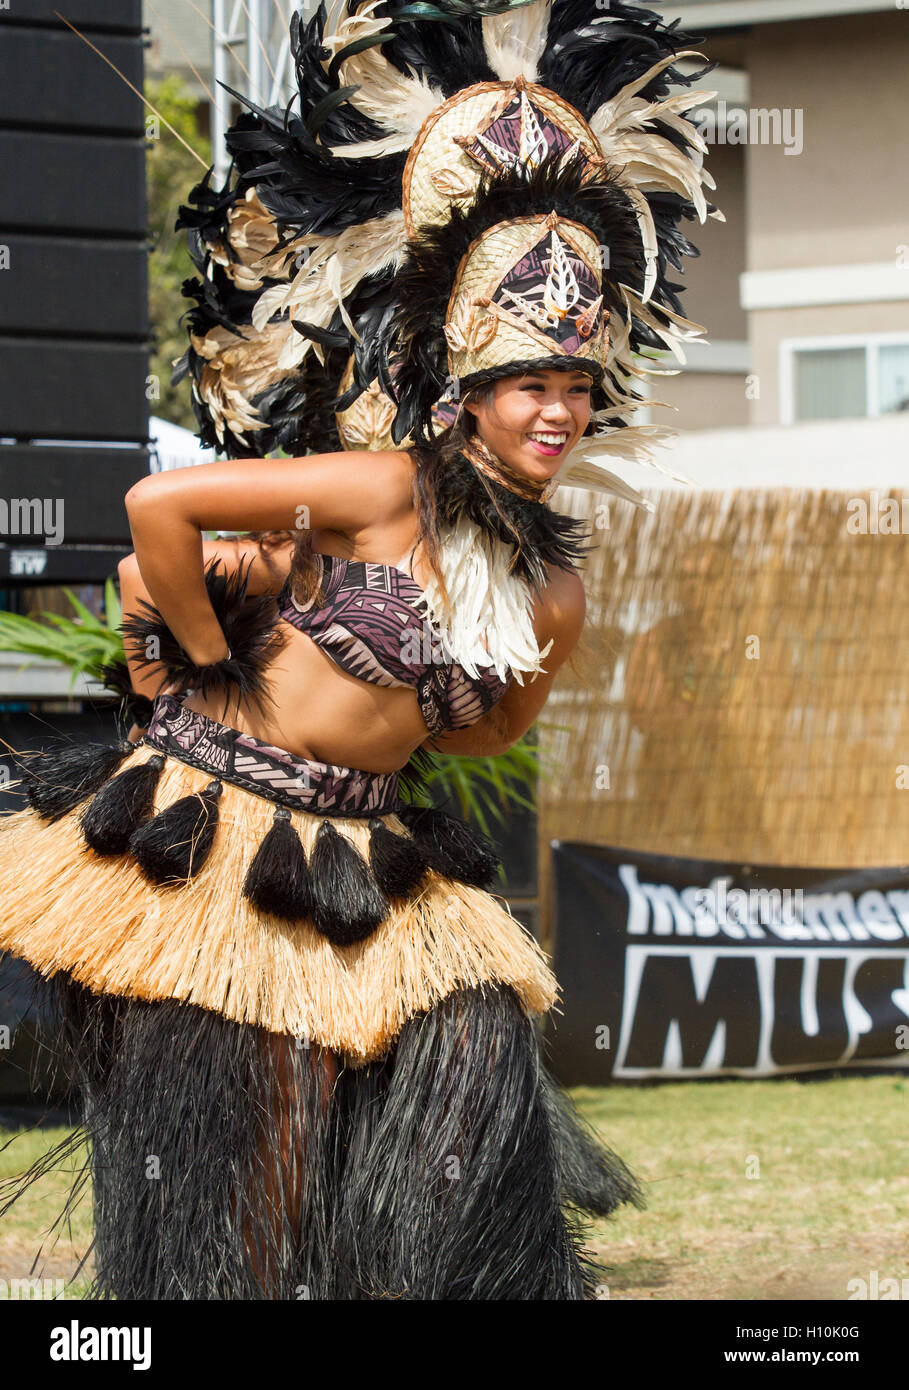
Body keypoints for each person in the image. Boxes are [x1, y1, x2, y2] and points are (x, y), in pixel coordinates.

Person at [0, 0, 717, 1299]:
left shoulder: (550, 585)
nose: (553, 410)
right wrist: (204, 655)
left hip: (361, 854)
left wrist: (414, 693)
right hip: (210, 846)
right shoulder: (381, 487)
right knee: (245, 1177)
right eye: (525, 386)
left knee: (474, 1053)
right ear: (465, 392)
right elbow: (154, 516)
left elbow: (489, 729)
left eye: (570, 389)